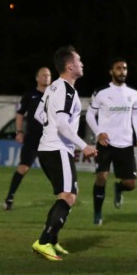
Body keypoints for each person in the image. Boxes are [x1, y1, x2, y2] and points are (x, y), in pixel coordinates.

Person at [31, 46, 97, 261]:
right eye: (79, 61)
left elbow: (39, 114)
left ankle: (51, 240)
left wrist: (50, 129)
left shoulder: (52, 88)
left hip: (47, 148)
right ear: (70, 66)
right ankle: (43, 241)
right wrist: (83, 146)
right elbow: (61, 124)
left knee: (64, 195)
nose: (82, 64)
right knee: (69, 196)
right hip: (57, 149)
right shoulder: (68, 90)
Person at [86, 58, 137, 225]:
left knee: (131, 184)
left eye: (125, 68)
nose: (122, 71)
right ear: (111, 71)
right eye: (118, 68)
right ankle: (97, 213)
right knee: (101, 177)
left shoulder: (133, 94)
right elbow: (90, 115)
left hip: (126, 144)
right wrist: (99, 133)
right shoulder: (101, 92)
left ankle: (119, 188)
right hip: (106, 144)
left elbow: (136, 116)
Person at [3, 66, 52, 210]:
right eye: (43, 75)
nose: (46, 77)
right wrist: (19, 131)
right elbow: (20, 114)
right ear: (37, 78)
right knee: (23, 168)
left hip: (49, 140)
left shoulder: (54, 95)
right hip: (32, 139)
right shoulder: (30, 94)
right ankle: (10, 197)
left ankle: (65, 197)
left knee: (53, 171)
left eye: (48, 75)